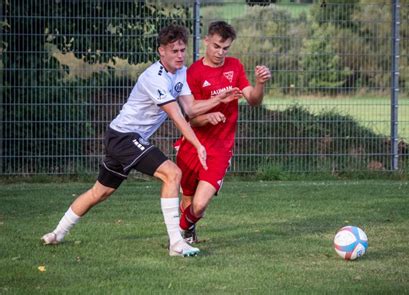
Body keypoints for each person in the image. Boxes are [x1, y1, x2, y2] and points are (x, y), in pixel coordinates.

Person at [41, 24, 239, 257]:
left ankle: (57, 233)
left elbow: (191, 108)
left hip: (123, 138)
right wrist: (198, 144)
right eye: (174, 51)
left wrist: (219, 98)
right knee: (173, 174)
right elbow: (177, 116)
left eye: (182, 50)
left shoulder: (181, 72)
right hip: (124, 137)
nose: (179, 55)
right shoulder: (153, 78)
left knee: (100, 192)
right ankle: (177, 243)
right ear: (161, 51)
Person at [175, 21, 271, 243]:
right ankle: (187, 233)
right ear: (207, 41)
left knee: (199, 205)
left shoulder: (235, 67)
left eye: (225, 48)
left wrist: (259, 84)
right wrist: (208, 116)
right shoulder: (194, 73)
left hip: (220, 149)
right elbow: (191, 118)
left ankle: (179, 231)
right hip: (192, 145)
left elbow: (253, 100)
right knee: (188, 199)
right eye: (217, 46)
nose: (220, 52)